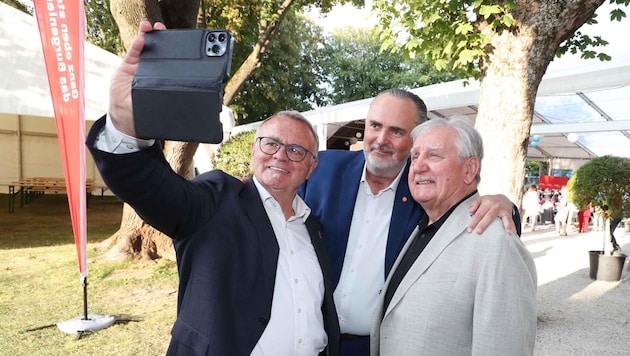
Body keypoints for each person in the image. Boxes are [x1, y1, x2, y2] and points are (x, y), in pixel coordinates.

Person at [86, 21, 339, 356]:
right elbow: (146, 183)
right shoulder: (216, 200)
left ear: (311, 166)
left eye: (296, 150)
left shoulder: (312, 226)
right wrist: (125, 121)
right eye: (270, 144)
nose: (281, 155)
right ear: (253, 150)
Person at [299, 89, 520, 354]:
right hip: (313, 342)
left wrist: (506, 206)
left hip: (380, 347)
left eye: (396, 131)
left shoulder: (424, 187)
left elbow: (466, 211)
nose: (381, 140)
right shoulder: (322, 169)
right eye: (375, 126)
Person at [371, 118, 537, 355]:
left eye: (434, 156)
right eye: (415, 156)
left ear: (469, 169)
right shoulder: (422, 227)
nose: (418, 166)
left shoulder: (497, 244)